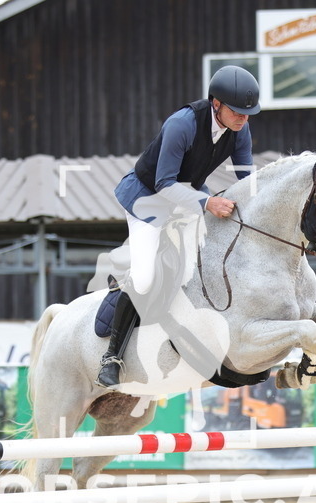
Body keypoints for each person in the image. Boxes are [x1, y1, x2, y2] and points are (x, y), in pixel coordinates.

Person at [97, 65, 261, 388]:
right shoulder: (181, 125)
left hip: (185, 194)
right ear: (216, 104)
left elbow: (248, 181)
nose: (244, 119)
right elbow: (163, 184)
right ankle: (112, 356)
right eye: (238, 112)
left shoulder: (240, 131)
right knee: (145, 276)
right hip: (147, 197)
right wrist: (208, 203)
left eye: (248, 113)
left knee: (196, 267)